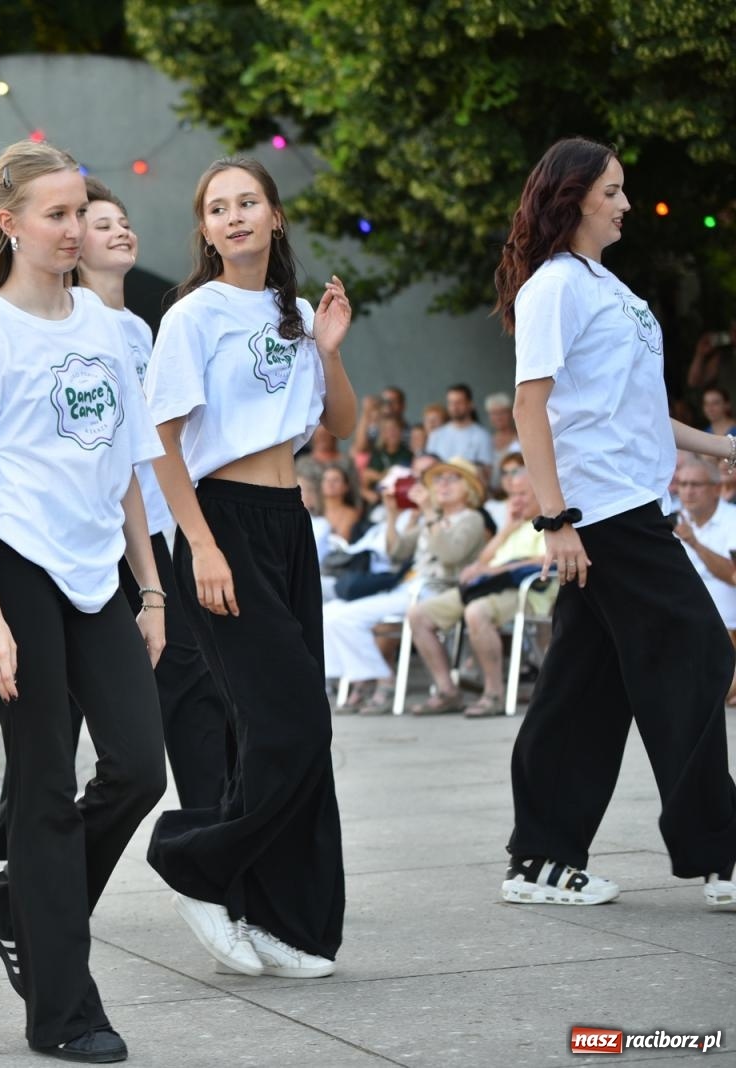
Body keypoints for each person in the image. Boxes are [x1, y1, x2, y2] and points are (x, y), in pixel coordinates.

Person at [0, 139, 168, 1064]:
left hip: (99, 571)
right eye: (56, 215)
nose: (72, 230)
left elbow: (130, 471)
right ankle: (65, 1012)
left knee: (140, 767)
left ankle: (18, 905)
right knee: (43, 792)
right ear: (11, 223)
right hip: (12, 572)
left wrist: (150, 588)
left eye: (81, 213)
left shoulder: (107, 326)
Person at [491, 135, 736, 910]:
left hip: (627, 503)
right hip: (603, 513)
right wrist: (556, 520)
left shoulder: (608, 288)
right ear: (574, 198)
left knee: (583, 687)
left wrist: (721, 446)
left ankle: (540, 859)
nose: (627, 204)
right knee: (697, 652)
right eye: (615, 192)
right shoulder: (554, 288)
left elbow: (640, 415)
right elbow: (533, 406)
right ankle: (720, 854)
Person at [143, 155, 356, 981]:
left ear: (275, 217)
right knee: (288, 720)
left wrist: (330, 349)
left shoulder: (296, 311)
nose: (234, 217)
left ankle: (283, 920)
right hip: (221, 520)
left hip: (287, 524)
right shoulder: (193, 316)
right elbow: (162, 442)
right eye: (217, 208)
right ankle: (195, 862)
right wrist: (200, 544)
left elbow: (337, 422)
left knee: (295, 728)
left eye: (248, 202)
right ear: (205, 229)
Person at [77, 174, 237, 835]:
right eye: (101, 223)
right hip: (108, 544)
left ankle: (218, 830)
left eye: (124, 220)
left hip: (163, 530)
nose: (121, 230)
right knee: (159, 696)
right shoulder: (75, 327)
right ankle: (29, 852)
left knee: (198, 687)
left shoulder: (142, 328)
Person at [325, 458, 488, 714]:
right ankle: (376, 677)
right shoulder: (429, 519)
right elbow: (397, 553)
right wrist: (391, 514)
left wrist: (429, 512)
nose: (442, 484)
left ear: (468, 488)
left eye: (452, 478)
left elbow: (450, 555)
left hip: (436, 590)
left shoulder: (472, 519)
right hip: (410, 589)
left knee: (341, 617)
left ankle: (381, 680)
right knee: (331, 614)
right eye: (439, 478)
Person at [404, 469, 552, 717]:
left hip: (529, 591)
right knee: (418, 614)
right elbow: (484, 561)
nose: (516, 500)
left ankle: (493, 694)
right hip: (490, 586)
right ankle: (447, 691)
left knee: (476, 612)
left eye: (523, 494)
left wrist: (499, 570)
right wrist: (507, 528)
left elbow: (544, 561)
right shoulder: (515, 524)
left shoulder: (551, 520)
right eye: (512, 494)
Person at [670, 455, 736, 706]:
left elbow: (733, 576)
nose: (687, 491)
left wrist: (694, 543)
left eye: (695, 485)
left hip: (726, 630)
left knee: (708, 697)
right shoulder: (670, 518)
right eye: (683, 484)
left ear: (717, 489)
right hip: (681, 625)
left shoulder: (733, 520)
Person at [426, 384, 495, 479]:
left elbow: (486, 472)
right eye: (451, 403)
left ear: (470, 404)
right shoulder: (436, 435)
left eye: (459, 402)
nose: (454, 407)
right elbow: (428, 467)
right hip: (439, 490)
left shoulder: (482, 435)